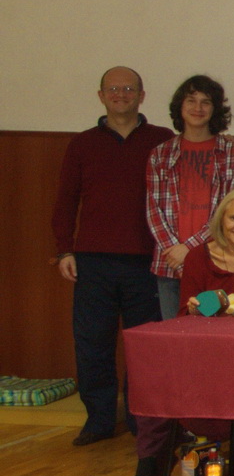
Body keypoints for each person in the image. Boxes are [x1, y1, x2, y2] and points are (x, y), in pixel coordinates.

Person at [118, 189, 234, 476]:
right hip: (207, 354)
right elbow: (183, 316)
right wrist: (196, 309)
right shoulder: (198, 256)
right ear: (221, 219)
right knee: (154, 374)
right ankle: (150, 463)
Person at [53, 67, 172, 446]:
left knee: (143, 346)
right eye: (114, 89)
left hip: (147, 260)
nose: (121, 94)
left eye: (129, 88)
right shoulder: (82, 144)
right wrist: (64, 250)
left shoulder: (163, 141)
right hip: (92, 261)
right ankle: (99, 419)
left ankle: (142, 420)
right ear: (101, 95)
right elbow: (65, 201)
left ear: (142, 95)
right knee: (93, 343)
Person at [146, 74, 234, 322]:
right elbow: (153, 210)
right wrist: (177, 254)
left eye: (206, 102)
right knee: (174, 337)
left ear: (215, 109)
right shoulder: (160, 154)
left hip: (218, 263)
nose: (198, 108)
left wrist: (189, 251)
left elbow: (232, 212)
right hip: (170, 264)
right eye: (191, 101)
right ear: (180, 107)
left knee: (216, 337)